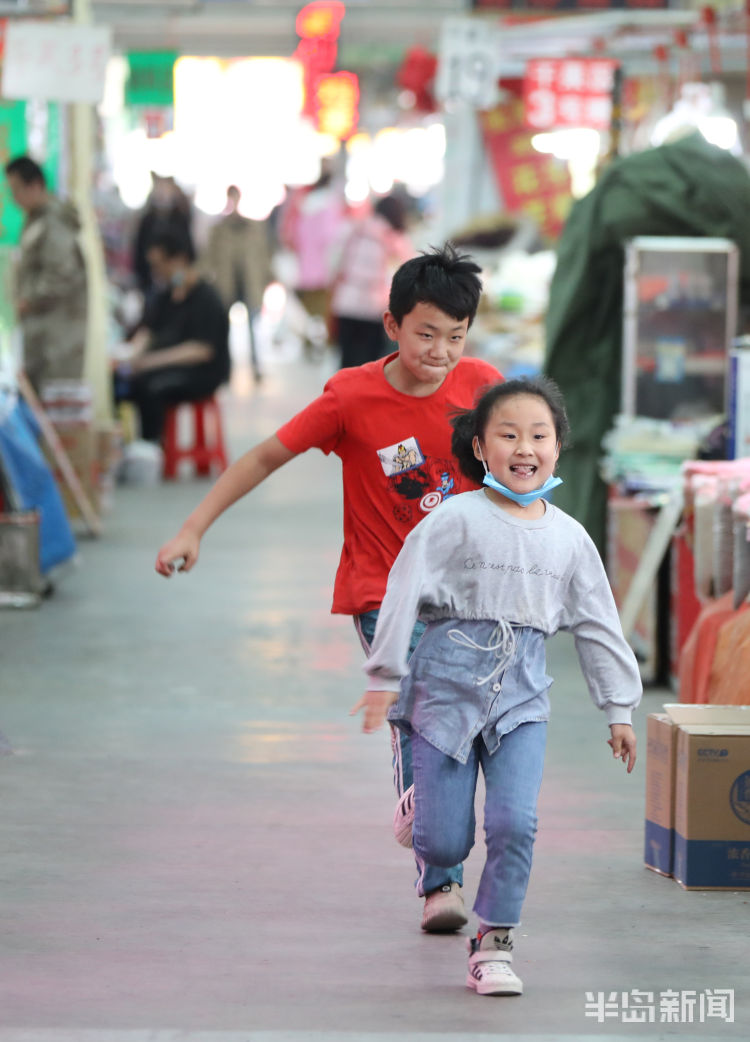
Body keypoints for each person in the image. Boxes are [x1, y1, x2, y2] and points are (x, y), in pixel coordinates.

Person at [154, 244, 502, 932]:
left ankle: (427, 817)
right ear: (392, 324)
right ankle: (441, 882)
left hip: (470, 593)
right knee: (416, 714)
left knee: (464, 723)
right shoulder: (351, 396)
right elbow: (262, 457)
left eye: (454, 339)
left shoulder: (483, 386)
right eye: (425, 334)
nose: (438, 353)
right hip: (382, 590)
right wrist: (194, 527)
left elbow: (523, 464)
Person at [353, 376, 641, 997]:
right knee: (446, 839)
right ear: (481, 447)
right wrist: (384, 676)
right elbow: (402, 591)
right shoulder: (453, 520)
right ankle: (422, 811)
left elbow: (597, 622)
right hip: (443, 690)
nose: (524, 447)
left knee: (516, 822)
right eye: (508, 434)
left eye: (539, 435)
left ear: (559, 447)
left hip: (522, 698)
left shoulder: (570, 538)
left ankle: (496, 943)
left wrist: (618, 706)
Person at [115, 228, 230, 443]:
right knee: (122, 381)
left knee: (151, 386)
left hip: (203, 373)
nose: (156, 272)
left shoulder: (207, 298)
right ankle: (129, 445)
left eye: (160, 265)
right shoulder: (164, 296)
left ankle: (153, 446)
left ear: (180, 259)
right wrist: (130, 359)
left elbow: (201, 351)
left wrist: (150, 362)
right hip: (166, 366)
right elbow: (147, 331)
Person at [4, 155, 88, 395]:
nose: (14, 198)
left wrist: (28, 299)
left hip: (57, 336)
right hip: (42, 331)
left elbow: (60, 274)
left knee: (54, 403)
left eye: (17, 190)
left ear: (36, 185)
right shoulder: (36, 220)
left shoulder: (53, 222)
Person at [329, 193, 413, 369]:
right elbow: (408, 272)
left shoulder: (355, 228)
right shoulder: (395, 238)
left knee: (346, 359)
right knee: (370, 364)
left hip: (346, 303)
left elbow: (333, 261)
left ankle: (344, 394)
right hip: (375, 307)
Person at [202, 185, 273, 383]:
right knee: (224, 330)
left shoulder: (253, 228)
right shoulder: (219, 230)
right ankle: (225, 369)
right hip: (227, 285)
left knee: (253, 329)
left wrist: (267, 278)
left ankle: (255, 366)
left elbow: (263, 255)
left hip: (249, 285)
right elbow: (208, 258)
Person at [132, 173, 195, 302]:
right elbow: (139, 250)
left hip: (176, 280)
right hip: (149, 282)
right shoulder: (147, 219)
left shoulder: (180, 218)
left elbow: (187, 251)